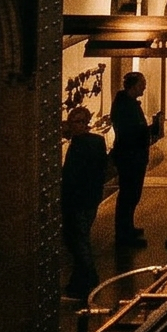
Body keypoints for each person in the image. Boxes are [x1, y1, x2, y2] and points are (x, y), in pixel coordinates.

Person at [60, 105, 106, 300]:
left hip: (77, 200)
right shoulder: (97, 142)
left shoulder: (79, 146)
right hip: (91, 198)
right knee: (80, 239)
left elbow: (72, 176)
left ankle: (88, 278)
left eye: (78, 122)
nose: (75, 126)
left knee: (78, 241)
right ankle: (81, 280)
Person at [111, 69, 151, 250]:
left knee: (131, 194)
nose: (144, 87)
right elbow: (131, 131)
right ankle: (124, 234)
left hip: (132, 155)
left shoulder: (124, 104)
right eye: (142, 84)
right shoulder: (127, 107)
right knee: (129, 194)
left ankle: (127, 228)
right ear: (134, 86)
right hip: (131, 156)